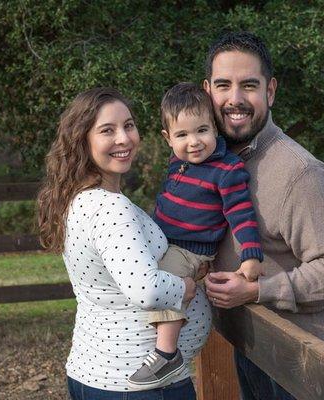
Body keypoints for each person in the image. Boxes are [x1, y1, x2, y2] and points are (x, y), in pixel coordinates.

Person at [203, 32, 324, 400]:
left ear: (270, 91)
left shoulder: (299, 173)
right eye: (223, 85)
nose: (235, 99)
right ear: (207, 90)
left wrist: (258, 291)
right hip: (256, 348)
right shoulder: (208, 160)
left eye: (249, 85)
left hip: (309, 363)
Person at [37, 87, 210, 399]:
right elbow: (147, 289)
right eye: (108, 130)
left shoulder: (78, 200)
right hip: (138, 384)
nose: (124, 138)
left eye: (129, 125)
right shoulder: (109, 208)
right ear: (82, 139)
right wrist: (186, 286)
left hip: (95, 373)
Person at [128, 82, 264, 389]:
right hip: (164, 238)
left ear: (215, 128)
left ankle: (166, 353)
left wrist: (251, 254)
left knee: (167, 283)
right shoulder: (179, 161)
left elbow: (241, 214)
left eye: (202, 130)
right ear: (167, 139)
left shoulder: (227, 169)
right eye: (182, 135)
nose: (194, 142)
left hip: (190, 250)